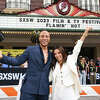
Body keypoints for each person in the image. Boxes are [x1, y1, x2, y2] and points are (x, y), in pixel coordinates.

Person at [0, 31, 52, 100]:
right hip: (28, 90)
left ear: (49, 38)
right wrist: (2, 57)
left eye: (46, 36)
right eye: (42, 36)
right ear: (39, 38)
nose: (44, 38)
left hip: (44, 91)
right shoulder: (30, 50)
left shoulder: (51, 54)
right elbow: (17, 61)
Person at [50, 27, 92, 100]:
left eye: (59, 53)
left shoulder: (70, 59)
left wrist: (85, 32)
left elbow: (77, 47)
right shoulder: (54, 64)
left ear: (62, 52)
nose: (57, 55)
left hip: (69, 91)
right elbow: (50, 78)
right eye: (55, 54)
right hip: (56, 92)